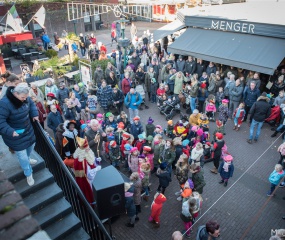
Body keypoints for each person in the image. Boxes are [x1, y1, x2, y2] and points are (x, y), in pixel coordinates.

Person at [0, 84, 39, 186]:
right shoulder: (4, 103)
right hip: (15, 136)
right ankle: (28, 173)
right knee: (22, 157)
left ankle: (28, 158)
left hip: (28, 130)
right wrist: (10, 131)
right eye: (23, 97)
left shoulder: (25, 97)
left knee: (31, 147)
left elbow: (31, 104)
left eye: (26, 97)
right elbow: (1, 121)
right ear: (16, 94)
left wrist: (34, 114)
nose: (24, 99)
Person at [73, 136, 101, 204]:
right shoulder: (82, 161)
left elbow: (90, 161)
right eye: (87, 148)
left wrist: (96, 160)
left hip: (81, 178)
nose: (88, 149)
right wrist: (97, 168)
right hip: (87, 181)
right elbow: (89, 175)